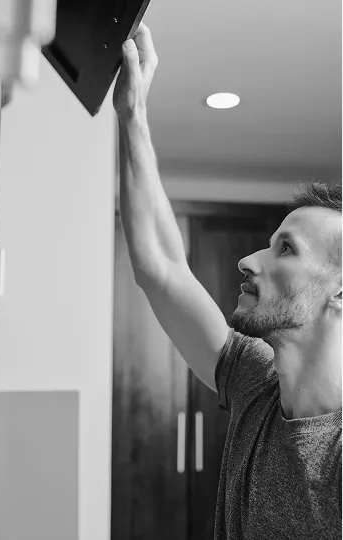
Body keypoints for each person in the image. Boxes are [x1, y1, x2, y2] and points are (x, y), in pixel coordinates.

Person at [113, 21, 343, 540]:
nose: (248, 259)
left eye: (286, 249)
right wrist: (132, 114)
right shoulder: (255, 382)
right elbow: (160, 268)